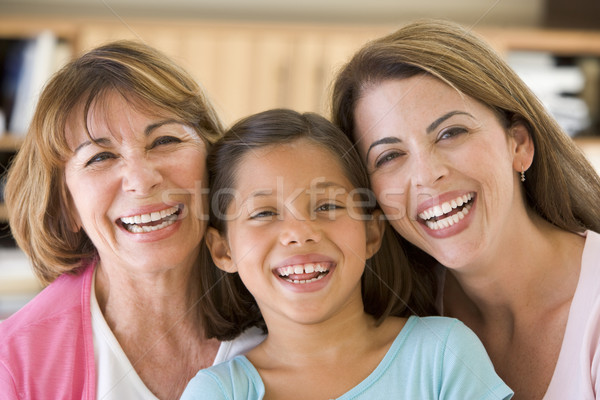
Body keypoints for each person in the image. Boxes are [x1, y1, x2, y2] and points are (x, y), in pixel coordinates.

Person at [330, 19, 600, 400]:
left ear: (519, 144)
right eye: (390, 156)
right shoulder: (395, 318)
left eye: (451, 133)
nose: (427, 174)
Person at [180, 108, 513, 400]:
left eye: (327, 206)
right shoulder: (220, 392)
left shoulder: (442, 354)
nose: (300, 233)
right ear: (224, 251)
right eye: (264, 213)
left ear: (371, 233)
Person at [0, 40, 264, 400]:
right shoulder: (14, 363)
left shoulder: (285, 300)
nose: (141, 180)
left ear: (213, 161)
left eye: (164, 140)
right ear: (66, 205)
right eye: (100, 157)